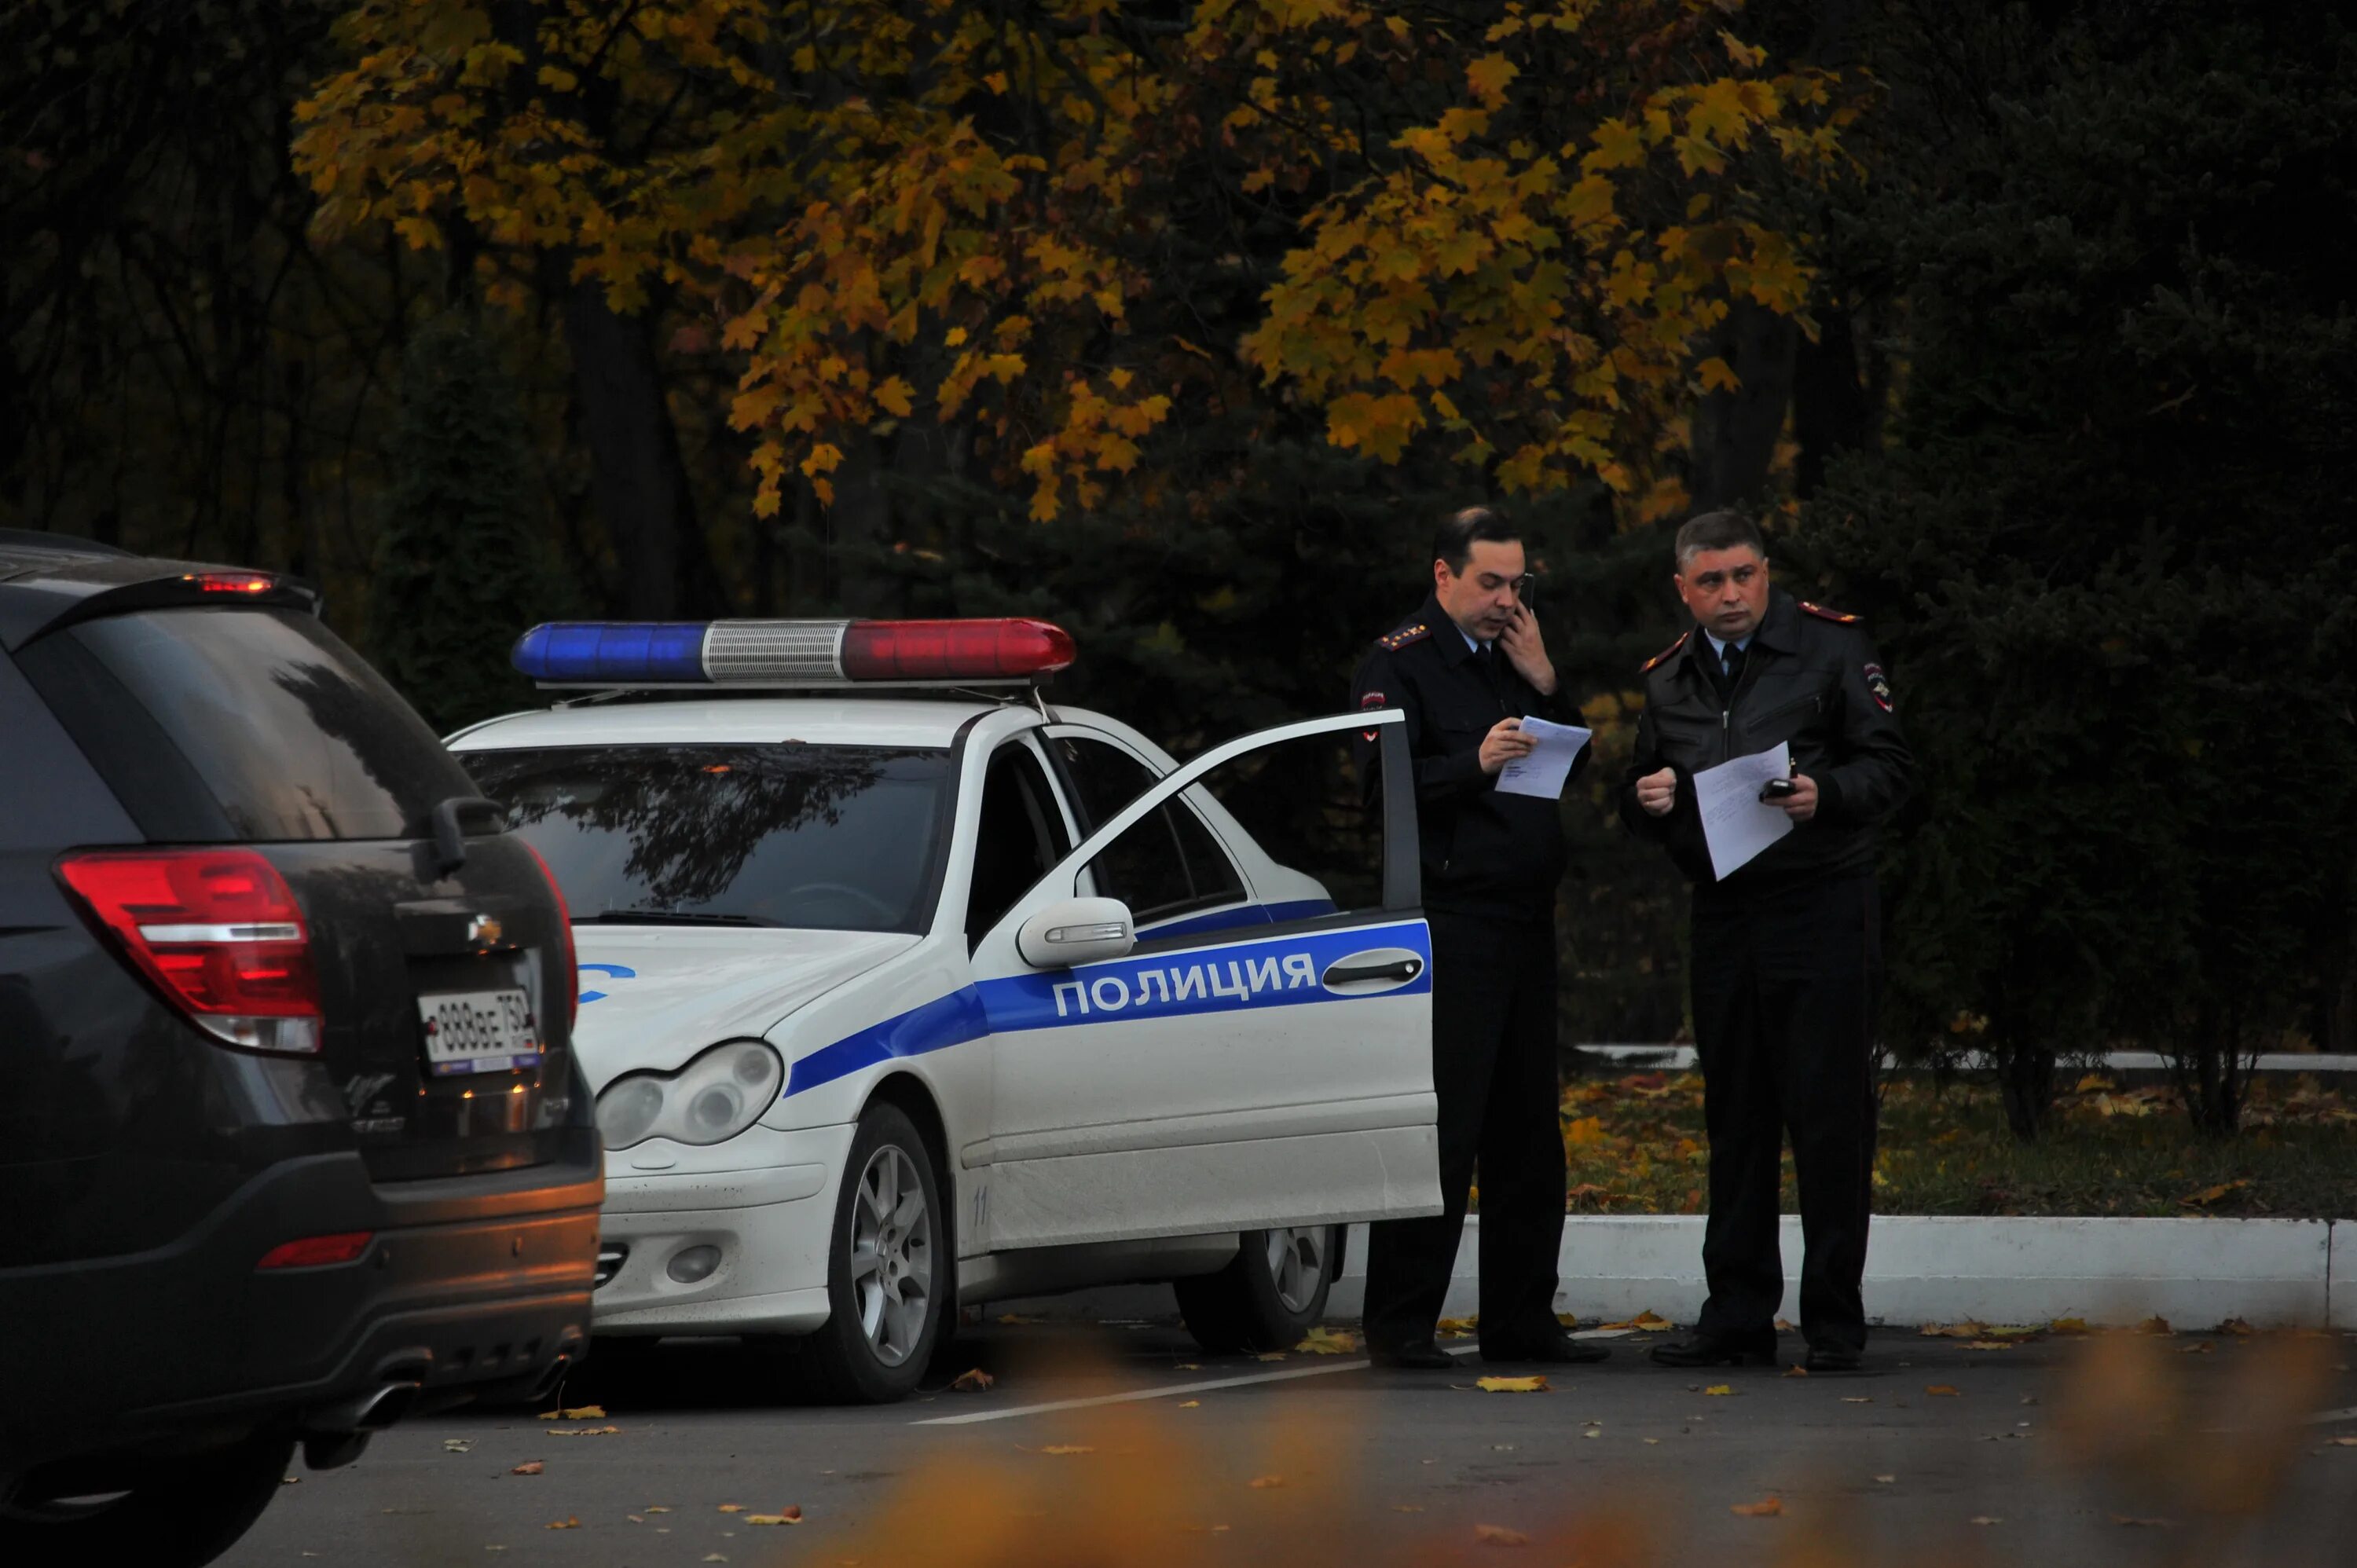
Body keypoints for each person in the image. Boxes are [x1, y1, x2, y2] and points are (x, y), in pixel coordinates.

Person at [1618, 510, 1914, 1372]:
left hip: (1822, 902)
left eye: (1744, 574)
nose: (1732, 593)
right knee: (1736, 1117)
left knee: (1828, 1116)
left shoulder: (1830, 650)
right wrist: (1651, 801)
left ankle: (1832, 1320)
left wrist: (1828, 792)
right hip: (1725, 913)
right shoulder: (1669, 678)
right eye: (1711, 580)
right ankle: (1737, 1314)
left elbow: (1891, 765)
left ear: (1766, 573)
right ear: (1684, 588)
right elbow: (1638, 798)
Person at [1349, 506, 1605, 1370]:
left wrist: (1546, 680)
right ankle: (1402, 1323)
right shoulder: (1401, 663)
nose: (1506, 600)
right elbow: (1377, 791)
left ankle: (1522, 1318)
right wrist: (1473, 764)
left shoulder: (1515, 659)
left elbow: (1576, 765)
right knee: (1445, 1127)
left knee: (1531, 1132)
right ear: (1444, 576)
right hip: (1450, 923)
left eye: (1517, 584)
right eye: (1490, 582)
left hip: (1527, 919)